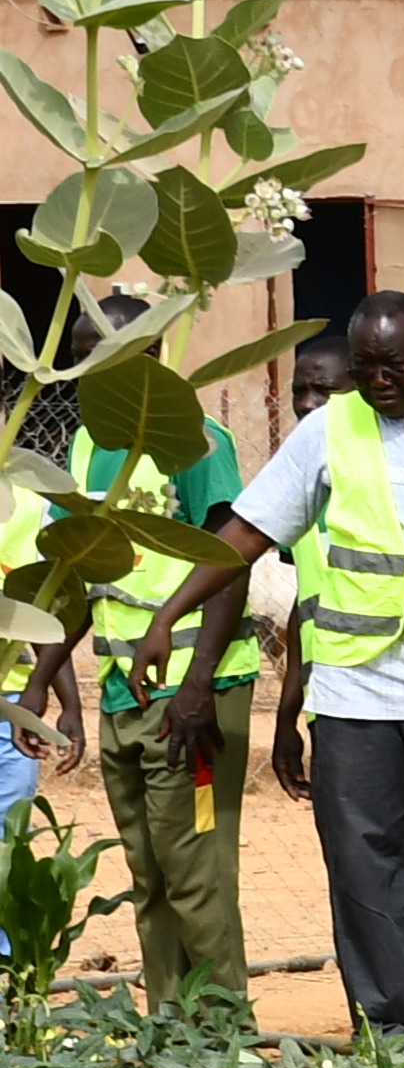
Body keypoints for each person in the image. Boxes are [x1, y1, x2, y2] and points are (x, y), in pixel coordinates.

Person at [145, 293, 404, 1061]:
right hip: (353, 695)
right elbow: (246, 530)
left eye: (394, 366)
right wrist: (169, 614)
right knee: (365, 867)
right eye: (365, 367)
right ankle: (393, 1035)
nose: (377, 382)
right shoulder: (326, 431)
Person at [31, 397, 258, 1017]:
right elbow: (75, 580)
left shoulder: (200, 443)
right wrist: (42, 683)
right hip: (120, 688)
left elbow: (230, 562)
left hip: (191, 695)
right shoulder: (84, 443)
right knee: (149, 872)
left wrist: (197, 687)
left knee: (195, 870)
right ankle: (170, 1031)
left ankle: (223, 1036)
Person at [265, 323, 351, 805]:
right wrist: (287, 715)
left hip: (390, 703)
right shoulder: (303, 486)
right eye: (299, 390)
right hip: (328, 702)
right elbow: (307, 604)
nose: (306, 404)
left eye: (324, 391)